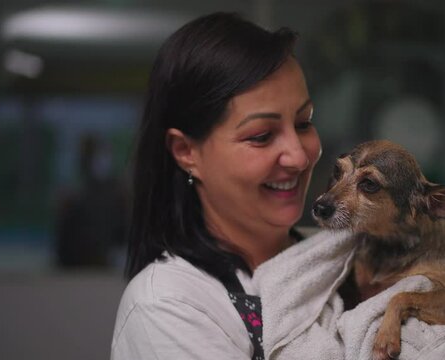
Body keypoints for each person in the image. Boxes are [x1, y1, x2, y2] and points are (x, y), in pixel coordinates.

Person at [111, 12, 321, 359]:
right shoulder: (168, 305)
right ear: (186, 151)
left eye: (303, 123)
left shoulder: (338, 260)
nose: (298, 158)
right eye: (261, 136)